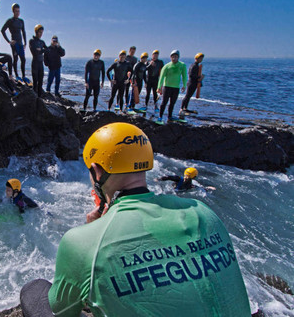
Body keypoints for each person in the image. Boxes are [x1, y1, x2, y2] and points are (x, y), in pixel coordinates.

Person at [43, 122, 251, 316]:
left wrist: (93, 233)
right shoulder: (204, 213)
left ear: (97, 172)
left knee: (34, 291)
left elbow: (62, 309)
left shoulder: (82, 241)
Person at [156, 49, 187, 124]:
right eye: (173, 57)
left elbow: (184, 76)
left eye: (176, 57)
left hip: (176, 88)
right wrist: (159, 87)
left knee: (172, 103)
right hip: (167, 87)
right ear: (170, 57)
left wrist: (184, 85)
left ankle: (170, 116)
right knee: (164, 102)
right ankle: (160, 116)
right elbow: (161, 77)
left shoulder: (182, 65)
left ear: (178, 57)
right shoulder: (167, 66)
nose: (174, 58)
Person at [1, 3, 27, 82]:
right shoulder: (10, 21)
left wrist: (25, 43)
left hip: (20, 43)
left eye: (18, 11)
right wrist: (9, 41)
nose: (17, 13)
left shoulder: (21, 21)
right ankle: (16, 75)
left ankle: (23, 76)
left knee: (23, 59)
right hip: (14, 43)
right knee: (15, 59)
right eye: (16, 11)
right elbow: (2, 30)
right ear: (13, 11)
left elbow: (23, 32)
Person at [29, 24, 48, 97]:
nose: (41, 34)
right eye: (40, 32)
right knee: (35, 82)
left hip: (41, 63)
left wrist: (41, 50)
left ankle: (39, 99)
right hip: (35, 63)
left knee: (40, 82)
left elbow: (47, 50)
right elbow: (34, 52)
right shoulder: (32, 41)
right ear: (36, 32)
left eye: (42, 32)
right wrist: (41, 50)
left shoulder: (42, 42)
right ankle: (34, 98)